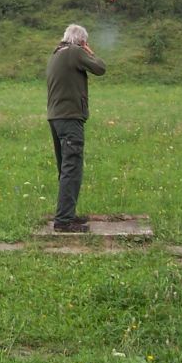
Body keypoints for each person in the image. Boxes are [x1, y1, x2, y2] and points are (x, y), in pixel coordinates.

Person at [46, 23, 106, 233]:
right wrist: (89, 51)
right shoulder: (74, 52)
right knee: (72, 168)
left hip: (56, 118)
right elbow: (100, 67)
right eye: (85, 44)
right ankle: (63, 221)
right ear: (81, 41)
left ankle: (67, 213)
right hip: (70, 118)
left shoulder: (56, 53)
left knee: (65, 169)